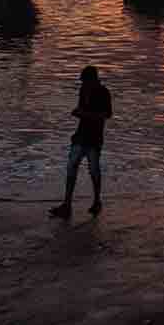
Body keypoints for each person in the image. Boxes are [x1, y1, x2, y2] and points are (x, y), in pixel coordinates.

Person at [49, 66, 111, 218]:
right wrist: (79, 112)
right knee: (71, 167)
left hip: (94, 138)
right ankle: (67, 205)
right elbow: (82, 110)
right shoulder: (83, 90)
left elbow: (106, 115)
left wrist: (84, 114)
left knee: (94, 170)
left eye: (85, 81)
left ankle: (97, 201)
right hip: (80, 136)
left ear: (93, 80)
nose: (83, 84)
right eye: (83, 82)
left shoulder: (104, 92)